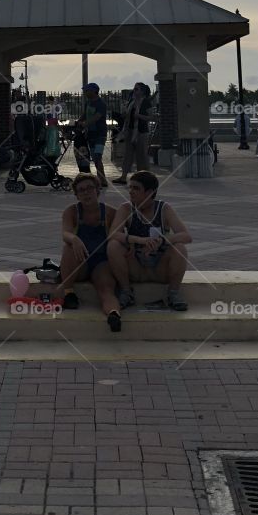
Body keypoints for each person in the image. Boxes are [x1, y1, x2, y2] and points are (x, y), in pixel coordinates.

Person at [108, 170, 192, 312]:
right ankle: (126, 292)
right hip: (136, 266)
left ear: (149, 192)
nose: (131, 192)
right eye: (130, 187)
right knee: (113, 246)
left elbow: (186, 236)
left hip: (159, 266)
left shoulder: (163, 208)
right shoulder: (126, 208)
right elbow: (113, 234)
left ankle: (173, 293)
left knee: (180, 248)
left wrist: (162, 241)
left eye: (136, 188)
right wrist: (138, 240)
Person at [55, 173, 128, 332]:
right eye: (81, 190)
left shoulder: (110, 213)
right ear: (76, 195)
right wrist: (74, 239)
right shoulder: (72, 212)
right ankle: (69, 293)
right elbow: (65, 233)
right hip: (79, 263)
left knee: (106, 289)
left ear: (98, 190)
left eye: (89, 188)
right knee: (68, 246)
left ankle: (113, 314)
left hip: (101, 263)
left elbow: (121, 235)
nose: (86, 193)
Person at [113, 82, 151, 183]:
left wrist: (139, 116)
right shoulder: (132, 102)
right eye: (134, 89)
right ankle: (123, 177)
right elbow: (128, 116)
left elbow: (151, 117)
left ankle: (142, 178)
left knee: (141, 156)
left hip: (141, 132)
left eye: (137, 89)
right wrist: (125, 114)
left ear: (142, 91)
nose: (134, 91)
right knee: (127, 155)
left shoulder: (146, 102)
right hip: (130, 131)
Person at [80, 82, 109, 188]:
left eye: (87, 90)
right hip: (90, 134)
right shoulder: (88, 103)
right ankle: (101, 179)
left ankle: (102, 180)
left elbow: (97, 117)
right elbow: (84, 115)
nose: (85, 92)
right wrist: (79, 122)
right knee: (94, 157)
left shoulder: (101, 104)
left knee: (97, 156)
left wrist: (85, 123)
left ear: (94, 91)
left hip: (100, 134)